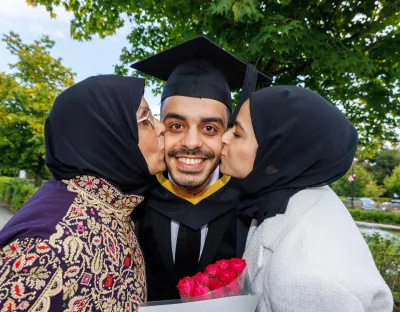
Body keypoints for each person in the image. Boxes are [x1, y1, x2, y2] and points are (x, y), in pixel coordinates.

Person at [0, 75, 166, 311]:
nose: (161, 128)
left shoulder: (115, 207)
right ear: (106, 135)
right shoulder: (48, 245)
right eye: (145, 118)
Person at [220, 86, 393, 312]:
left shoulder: (308, 277)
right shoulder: (284, 195)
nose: (223, 137)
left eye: (237, 133)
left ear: (278, 150)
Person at [131, 36, 269, 300]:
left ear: (228, 134)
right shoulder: (132, 199)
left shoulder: (254, 206)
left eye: (209, 128)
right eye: (176, 126)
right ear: (159, 128)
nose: (192, 143)